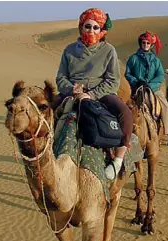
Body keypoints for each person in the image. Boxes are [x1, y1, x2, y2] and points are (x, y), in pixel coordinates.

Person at [55, 8, 133, 181]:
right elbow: (60, 77)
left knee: (125, 114)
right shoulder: (69, 50)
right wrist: (72, 89)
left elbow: (113, 80)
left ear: (101, 30)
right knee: (45, 113)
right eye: (87, 26)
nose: (91, 31)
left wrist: (92, 94)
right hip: (73, 92)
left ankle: (118, 160)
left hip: (100, 93)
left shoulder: (108, 50)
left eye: (95, 27)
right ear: (81, 27)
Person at [125, 31, 168, 146]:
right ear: (140, 43)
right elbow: (128, 73)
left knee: (165, 106)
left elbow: (160, 75)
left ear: (151, 45)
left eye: (147, 43)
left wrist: (150, 85)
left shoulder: (156, 60)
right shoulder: (133, 58)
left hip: (153, 89)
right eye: (143, 43)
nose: (145, 45)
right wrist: (136, 81)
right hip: (136, 88)